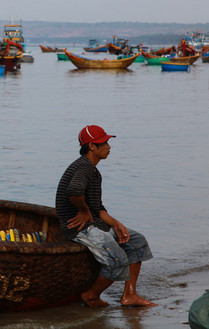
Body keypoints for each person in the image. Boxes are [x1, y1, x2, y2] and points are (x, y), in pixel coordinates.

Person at [55, 125, 157, 308]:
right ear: (92, 146)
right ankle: (91, 296)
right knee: (118, 260)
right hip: (79, 228)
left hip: (95, 223)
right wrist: (84, 212)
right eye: (105, 143)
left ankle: (130, 295)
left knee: (137, 242)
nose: (109, 146)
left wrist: (116, 223)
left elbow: (97, 208)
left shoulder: (93, 171)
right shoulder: (83, 167)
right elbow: (74, 191)